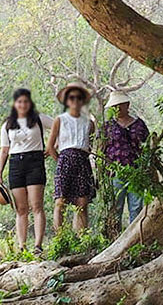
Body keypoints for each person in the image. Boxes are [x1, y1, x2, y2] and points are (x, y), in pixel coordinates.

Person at [0, 87, 48, 254]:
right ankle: (22, 246)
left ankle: (38, 246)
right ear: (15, 104)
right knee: (21, 208)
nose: (23, 104)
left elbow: (58, 126)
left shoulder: (38, 119)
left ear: (30, 103)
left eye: (26, 101)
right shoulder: (7, 124)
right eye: (19, 101)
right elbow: (4, 150)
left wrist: (52, 147)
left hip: (35, 161)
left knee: (36, 205)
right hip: (15, 163)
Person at [48, 81, 97, 236]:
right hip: (65, 159)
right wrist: (61, 161)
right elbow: (50, 146)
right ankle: (60, 238)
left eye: (78, 97)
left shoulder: (89, 123)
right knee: (60, 201)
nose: (75, 101)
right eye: (71, 97)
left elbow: (90, 145)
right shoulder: (60, 120)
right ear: (67, 100)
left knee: (82, 203)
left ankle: (80, 239)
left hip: (83, 160)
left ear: (82, 100)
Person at [100, 91, 149, 228]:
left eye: (119, 105)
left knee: (136, 207)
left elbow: (147, 146)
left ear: (127, 105)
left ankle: (135, 238)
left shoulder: (139, 125)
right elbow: (101, 149)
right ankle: (115, 238)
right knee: (115, 207)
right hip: (115, 172)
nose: (117, 109)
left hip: (136, 172)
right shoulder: (107, 126)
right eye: (114, 106)